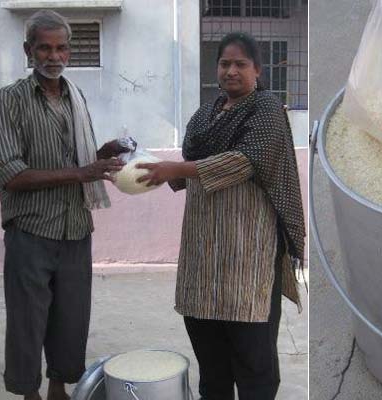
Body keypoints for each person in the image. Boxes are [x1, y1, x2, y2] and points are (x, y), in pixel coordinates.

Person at [136, 32, 305, 400]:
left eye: (240, 64)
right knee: (212, 371)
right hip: (202, 261)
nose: (231, 71)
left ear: (257, 71)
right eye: (224, 63)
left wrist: (177, 170)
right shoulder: (204, 117)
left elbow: (243, 162)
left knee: (255, 368)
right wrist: (139, 162)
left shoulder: (267, 111)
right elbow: (183, 165)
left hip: (248, 263)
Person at [0, 10, 127, 400]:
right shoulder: (10, 99)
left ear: (71, 51)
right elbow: (11, 174)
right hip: (31, 228)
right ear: (28, 51)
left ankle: (57, 388)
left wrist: (106, 152)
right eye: (45, 48)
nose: (54, 56)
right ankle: (28, 393)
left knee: (71, 319)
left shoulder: (75, 95)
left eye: (62, 48)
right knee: (27, 321)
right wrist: (83, 172)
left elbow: (81, 158)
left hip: (75, 227)